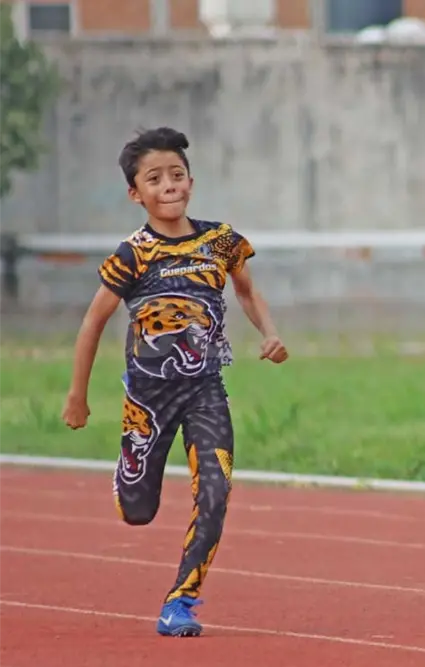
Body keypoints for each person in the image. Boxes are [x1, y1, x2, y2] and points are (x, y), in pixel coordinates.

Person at [61, 127, 288, 637]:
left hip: (205, 390)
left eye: (177, 175)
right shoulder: (132, 255)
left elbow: (248, 293)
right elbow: (92, 322)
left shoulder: (221, 241)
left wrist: (270, 334)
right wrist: (77, 396)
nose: (169, 186)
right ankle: (129, 469)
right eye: (155, 179)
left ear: (191, 181)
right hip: (148, 398)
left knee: (216, 489)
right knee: (137, 512)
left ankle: (180, 600)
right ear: (135, 193)